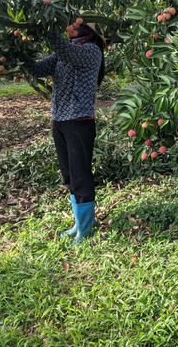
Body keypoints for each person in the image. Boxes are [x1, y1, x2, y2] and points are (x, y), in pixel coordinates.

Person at [27, 23, 105, 243]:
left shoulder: (90, 50)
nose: (70, 32)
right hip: (60, 120)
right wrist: (16, 54)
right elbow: (37, 69)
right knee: (69, 175)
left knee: (80, 175)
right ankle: (79, 223)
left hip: (79, 121)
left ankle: (87, 229)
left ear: (86, 31)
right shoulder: (68, 51)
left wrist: (45, 24)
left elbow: (66, 51)